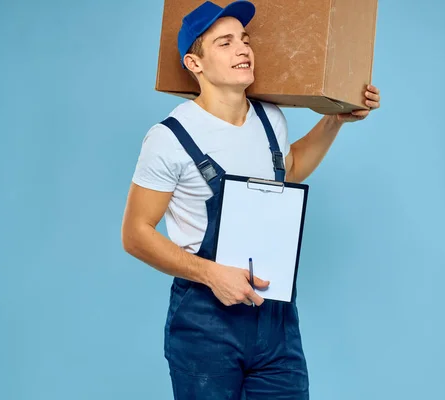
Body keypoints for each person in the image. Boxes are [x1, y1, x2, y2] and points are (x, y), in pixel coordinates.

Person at [121, 1, 381, 398]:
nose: (243, 49)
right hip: (205, 324)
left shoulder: (270, 118)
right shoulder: (170, 138)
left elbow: (287, 171)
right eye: (225, 43)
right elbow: (136, 234)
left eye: (245, 40)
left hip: (275, 319)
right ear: (195, 63)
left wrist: (333, 119)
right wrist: (212, 275)